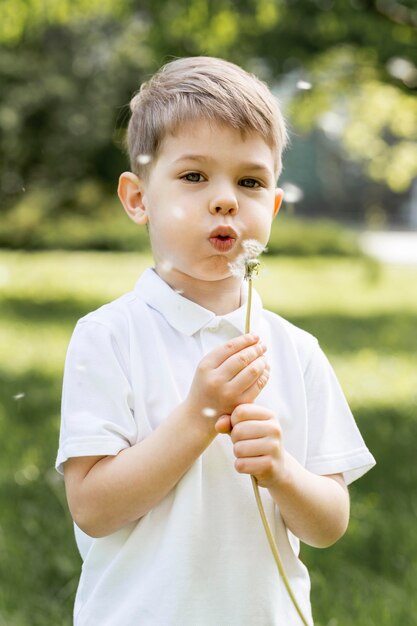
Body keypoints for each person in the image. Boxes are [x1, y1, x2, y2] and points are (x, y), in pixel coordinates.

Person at [56, 56, 375, 626]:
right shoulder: (109, 337)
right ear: (138, 198)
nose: (226, 199)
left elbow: (329, 524)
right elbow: (94, 508)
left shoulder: (295, 351)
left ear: (272, 208)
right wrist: (199, 415)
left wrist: (281, 470)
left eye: (250, 182)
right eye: (194, 176)